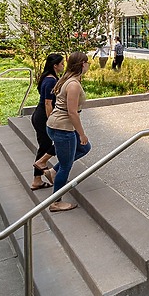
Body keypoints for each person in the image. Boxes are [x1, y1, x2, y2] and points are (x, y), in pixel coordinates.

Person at [45, 51, 92, 212]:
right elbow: (72, 112)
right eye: (87, 63)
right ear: (81, 64)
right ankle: (55, 202)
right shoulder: (73, 84)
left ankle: (53, 171)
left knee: (84, 148)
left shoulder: (69, 79)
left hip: (57, 126)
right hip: (62, 128)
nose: (88, 65)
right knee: (66, 166)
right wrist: (81, 133)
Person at [29, 53, 63, 190]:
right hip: (43, 117)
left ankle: (37, 179)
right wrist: (51, 121)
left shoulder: (50, 78)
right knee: (49, 144)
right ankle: (39, 171)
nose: (63, 66)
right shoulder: (50, 81)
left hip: (40, 115)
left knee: (44, 146)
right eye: (61, 64)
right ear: (55, 65)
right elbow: (48, 103)